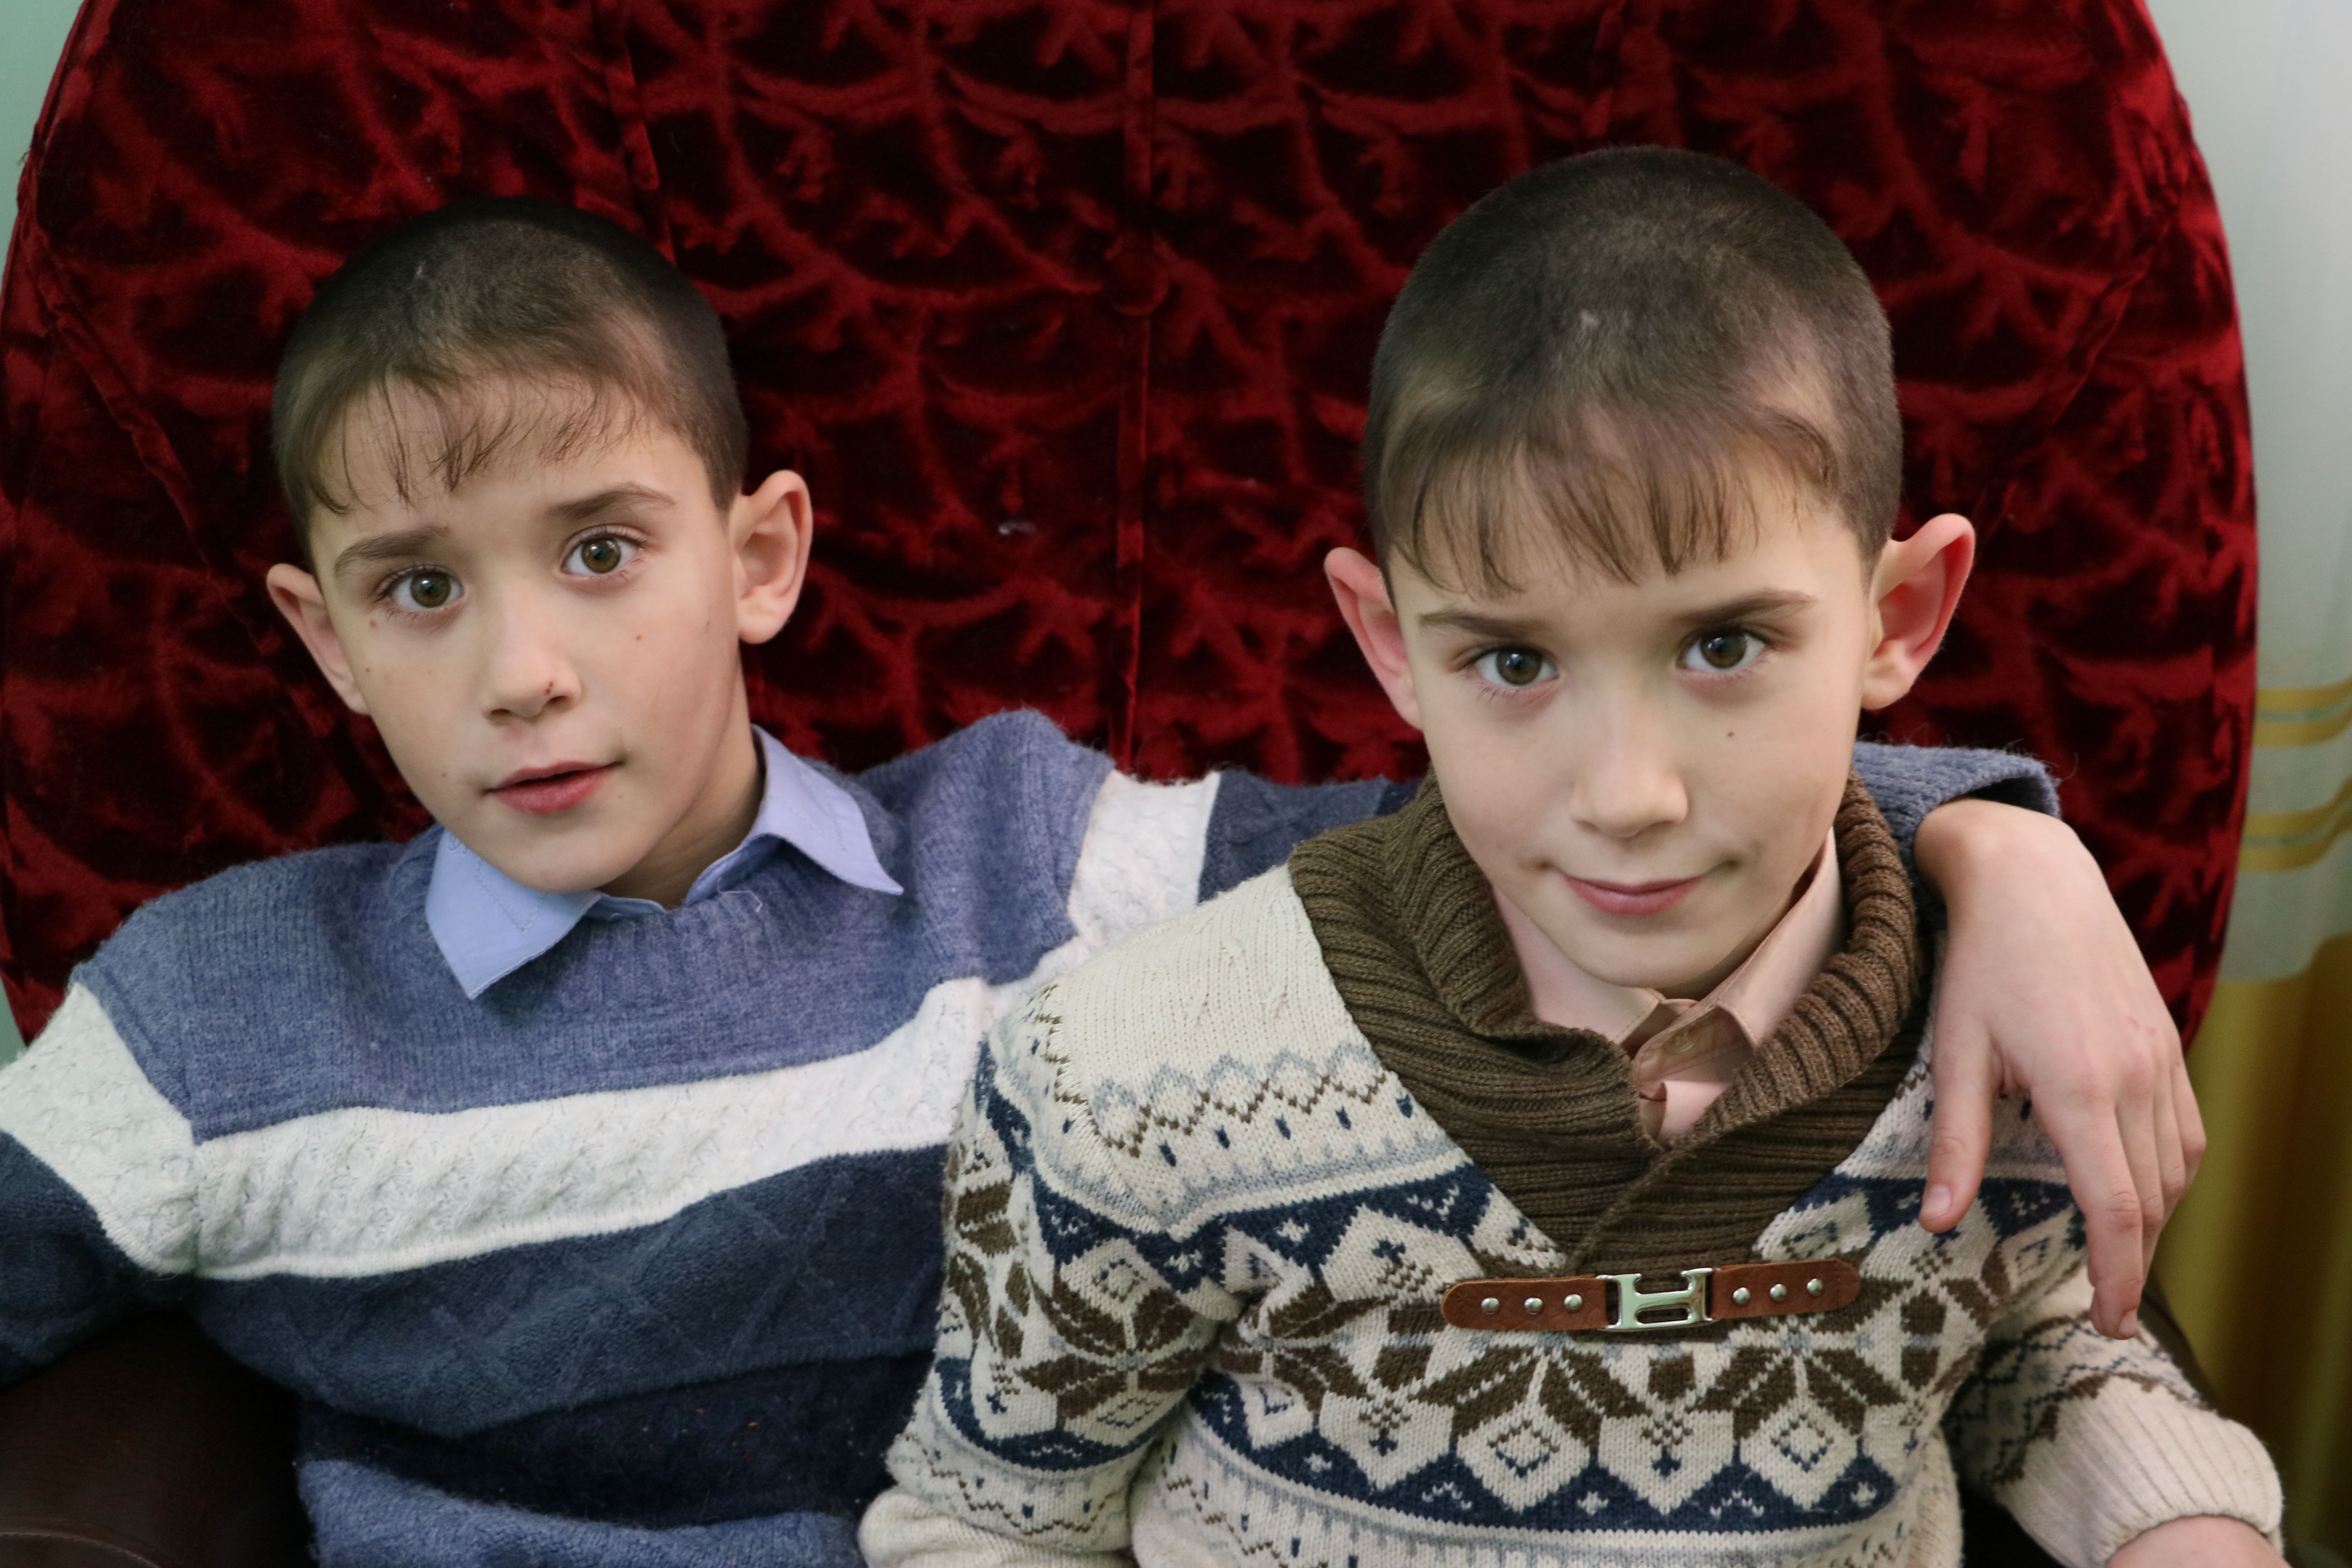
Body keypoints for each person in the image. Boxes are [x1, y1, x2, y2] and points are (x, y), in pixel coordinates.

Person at [0, 196, 2198, 1567]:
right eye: (420, 590)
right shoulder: (204, 1022)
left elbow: (1529, 814)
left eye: (599, 551)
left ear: (759, 557)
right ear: (320, 637)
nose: (525, 672)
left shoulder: (1035, 861)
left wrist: (1995, 836)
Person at [858, 150, 2282, 1567]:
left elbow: (2020, 1321)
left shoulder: (2020, 1020)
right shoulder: (1117, 1089)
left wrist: (2184, 1524)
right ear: (1390, 645)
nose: (1626, 795)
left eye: (1724, 645)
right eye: (1515, 661)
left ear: (1898, 619)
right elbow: (984, 1529)